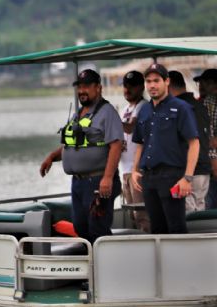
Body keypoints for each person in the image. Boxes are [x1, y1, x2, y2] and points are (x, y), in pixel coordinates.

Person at [40, 69, 123, 243]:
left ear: (98, 88)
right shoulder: (78, 113)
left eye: (86, 86)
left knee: (97, 228)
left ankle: (104, 265)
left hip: (98, 181)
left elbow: (116, 145)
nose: (81, 91)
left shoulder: (107, 112)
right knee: (80, 227)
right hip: (78, 183)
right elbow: (72, 145)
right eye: (79, 87)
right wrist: (51, 157)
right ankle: (90, 264)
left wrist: (107, 178)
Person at [132, 63, 200, 234]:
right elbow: (140, 143)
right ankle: (162, 261)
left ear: (166, 81)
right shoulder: (145, 110)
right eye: (148, 81)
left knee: (176, 227)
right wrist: (134, 170)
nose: (152, 85)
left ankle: (181, 261)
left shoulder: (181, 108)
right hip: (149, 178)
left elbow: (194, 143)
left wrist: (187, 178)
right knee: (157, 228)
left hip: (172, 177)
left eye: (156, 81)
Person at [168, 70, 211, 212]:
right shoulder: (200, 106)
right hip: (204, 167)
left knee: (188, 214)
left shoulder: (177, 108)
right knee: (200, 210)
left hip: (188, 170)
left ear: (168, 86)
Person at [119, 71, 150, 231]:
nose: (127, 89)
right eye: (125, 86)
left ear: (141, 87)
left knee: (142, 215)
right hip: (125, 169)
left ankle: (149, 247)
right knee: (132, 215)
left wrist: (111, 119)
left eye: (132, 86)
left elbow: (130, 128)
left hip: (138, 170)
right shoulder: (125, 109)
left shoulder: (144, 106)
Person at [195, 68, 217, 209]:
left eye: (204, 83)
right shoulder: (207, 102)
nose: (201, 87)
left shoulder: (208, 102)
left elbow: (211, 140)